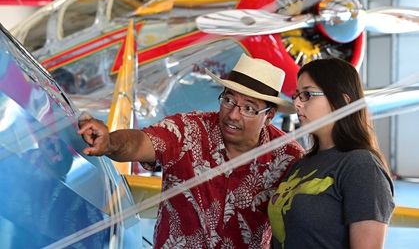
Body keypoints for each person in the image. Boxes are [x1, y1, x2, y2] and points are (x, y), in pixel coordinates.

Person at [77, 53, 305, 248]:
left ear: (269, 117)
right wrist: (110, 143)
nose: (233, 114)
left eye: (248, 108)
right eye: (228, 99)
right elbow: (140, 143)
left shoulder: (290, 159)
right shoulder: (188, 129)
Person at [268, 58, 395, 248]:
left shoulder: (362, 167)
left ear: (342, 102)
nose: (296, 103)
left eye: (307, 94)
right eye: (296, 95)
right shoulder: (301, 164)